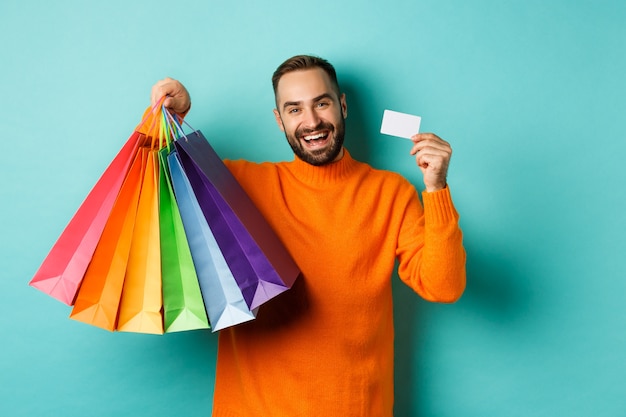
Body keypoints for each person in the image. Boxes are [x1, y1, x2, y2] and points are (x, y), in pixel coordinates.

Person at [150, 55, 466, 417]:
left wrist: (437, 189)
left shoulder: (390, 193)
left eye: (322, 103)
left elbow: (444, 286)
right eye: (294, 109)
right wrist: (172, 120)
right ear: (279, 120)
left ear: (342, 106)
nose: (312, 121)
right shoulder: (240, 187)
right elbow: (152, 192)